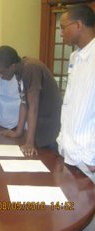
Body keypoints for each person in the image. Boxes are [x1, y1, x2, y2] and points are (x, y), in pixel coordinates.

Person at [0, 45, 62, 156]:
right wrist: (18, 132)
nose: (0, 76)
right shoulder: (20, 70)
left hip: (50, 129)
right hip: (40, 128)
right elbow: (24, 102)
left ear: (12, 66)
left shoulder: (31, 68)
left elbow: (33, 106)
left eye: (2, 72)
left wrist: (29, 142)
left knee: (50, 162)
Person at [57, 6, 95, 179]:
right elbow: (70, 102)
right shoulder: (75, 57)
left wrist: (91, 155)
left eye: (63, 27)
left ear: (79, 25)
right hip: (70, 150)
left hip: (88, 157)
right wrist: (62, 139)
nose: (61, 33)